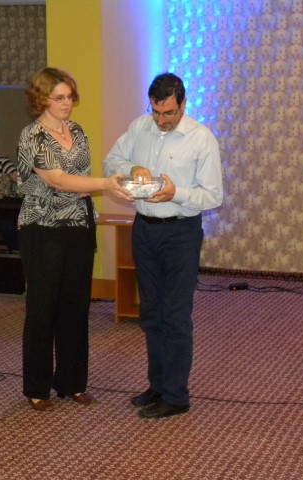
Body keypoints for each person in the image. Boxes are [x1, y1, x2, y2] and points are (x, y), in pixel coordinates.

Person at [104, 73, 224, 419]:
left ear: (183, 104)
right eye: (156, 112)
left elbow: (213, 196)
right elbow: (111, 162)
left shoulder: (201, 138)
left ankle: (176, 395)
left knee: (175, 315)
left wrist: (176, 193)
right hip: (144, 229)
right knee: (151, 313)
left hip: (180, 233)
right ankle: (157, 386)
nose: (161, 120)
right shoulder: (140, 127)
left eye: (169, 113)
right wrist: (133, 167)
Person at [17, 67, 132, 411]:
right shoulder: (32, 135)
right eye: (59, 98)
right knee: (43, 309)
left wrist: (99, 187)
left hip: (79, 225)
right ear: (42, 99)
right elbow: (58, 180)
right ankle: (37, 388)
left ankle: (72, 382)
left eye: (69, 97)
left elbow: (79, 178)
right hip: (43, 229)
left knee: (75, 307)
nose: (66, 103)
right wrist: (106, 184)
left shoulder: (77, 130)